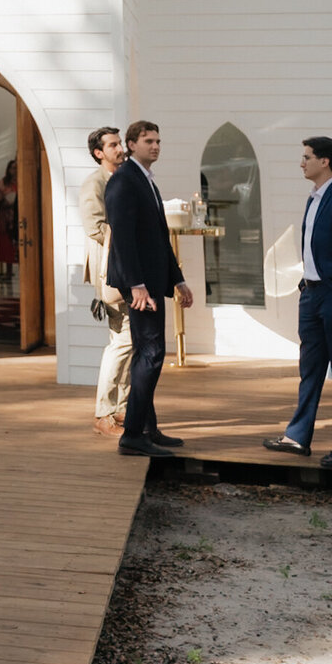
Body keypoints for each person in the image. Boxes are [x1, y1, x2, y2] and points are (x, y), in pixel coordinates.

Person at [105, 120, 192, 457]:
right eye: (148, 141)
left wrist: (178, 279)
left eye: (158, 141)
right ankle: (132, 435)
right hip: (140, 285)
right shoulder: (124, 180)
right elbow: (123, 238)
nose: (155, 146)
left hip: (153, 281)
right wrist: (136, 285)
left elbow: (159, 237)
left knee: (148, 353)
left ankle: (146, 428)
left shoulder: (145, 179)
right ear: (131, 144)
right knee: (151, 354)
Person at [263, 137, 332, 462]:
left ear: (325, 161)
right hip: (312, 294)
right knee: (310, 368)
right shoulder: (314, 196)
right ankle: (297, 437)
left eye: (307, 157)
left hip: (330, 293)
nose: (302, 163)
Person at [80, 127, 131, 438]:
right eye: (113, 145)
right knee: (122, 341)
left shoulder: (124, 179)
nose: (120, 148)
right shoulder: (94, 183)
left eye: (120, 143)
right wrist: (130, 241)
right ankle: (104, 412)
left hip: (128, 270)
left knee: (130, 342)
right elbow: (94, 226)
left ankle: (121, 409)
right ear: (99, 153)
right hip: (110, 272)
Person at [0, 159, 19, 275]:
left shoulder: (23, 180)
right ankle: (8, 271)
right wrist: (3, 200)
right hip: (6, 217)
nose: (15, 170)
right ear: (8, 169)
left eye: (17, 168)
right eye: (13, 168)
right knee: (7, 244)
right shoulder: (3, 183)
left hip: (18, 216)